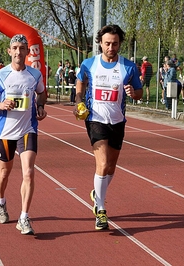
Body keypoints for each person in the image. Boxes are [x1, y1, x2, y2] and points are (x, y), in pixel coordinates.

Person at [73, 25, 142, 230]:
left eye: (115, 43)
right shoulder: (89, 64)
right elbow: (80, 84)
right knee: (102, 164)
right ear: (100, 43)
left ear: (120, 44)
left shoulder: (128, 67)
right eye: (107, 43)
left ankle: (97, 192)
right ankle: (100, 210)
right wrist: (78, 103)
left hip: (118, 121)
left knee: (111, 167)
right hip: (95, 119)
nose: (111, 47)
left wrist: (132, 92)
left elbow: (138, 93)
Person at [0, 34, 47, 235]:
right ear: (10, 51)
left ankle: (24, 217)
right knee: (4, 172)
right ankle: (0, 201)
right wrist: (0, 105)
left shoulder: (35, 75)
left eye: (22, 48)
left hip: (28, 130)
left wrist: (41, 106)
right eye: (15, 48)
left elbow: (42, 92)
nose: (19, 52)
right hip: (6, 132)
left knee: (28, 172)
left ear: (27, 51)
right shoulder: (0, 76)